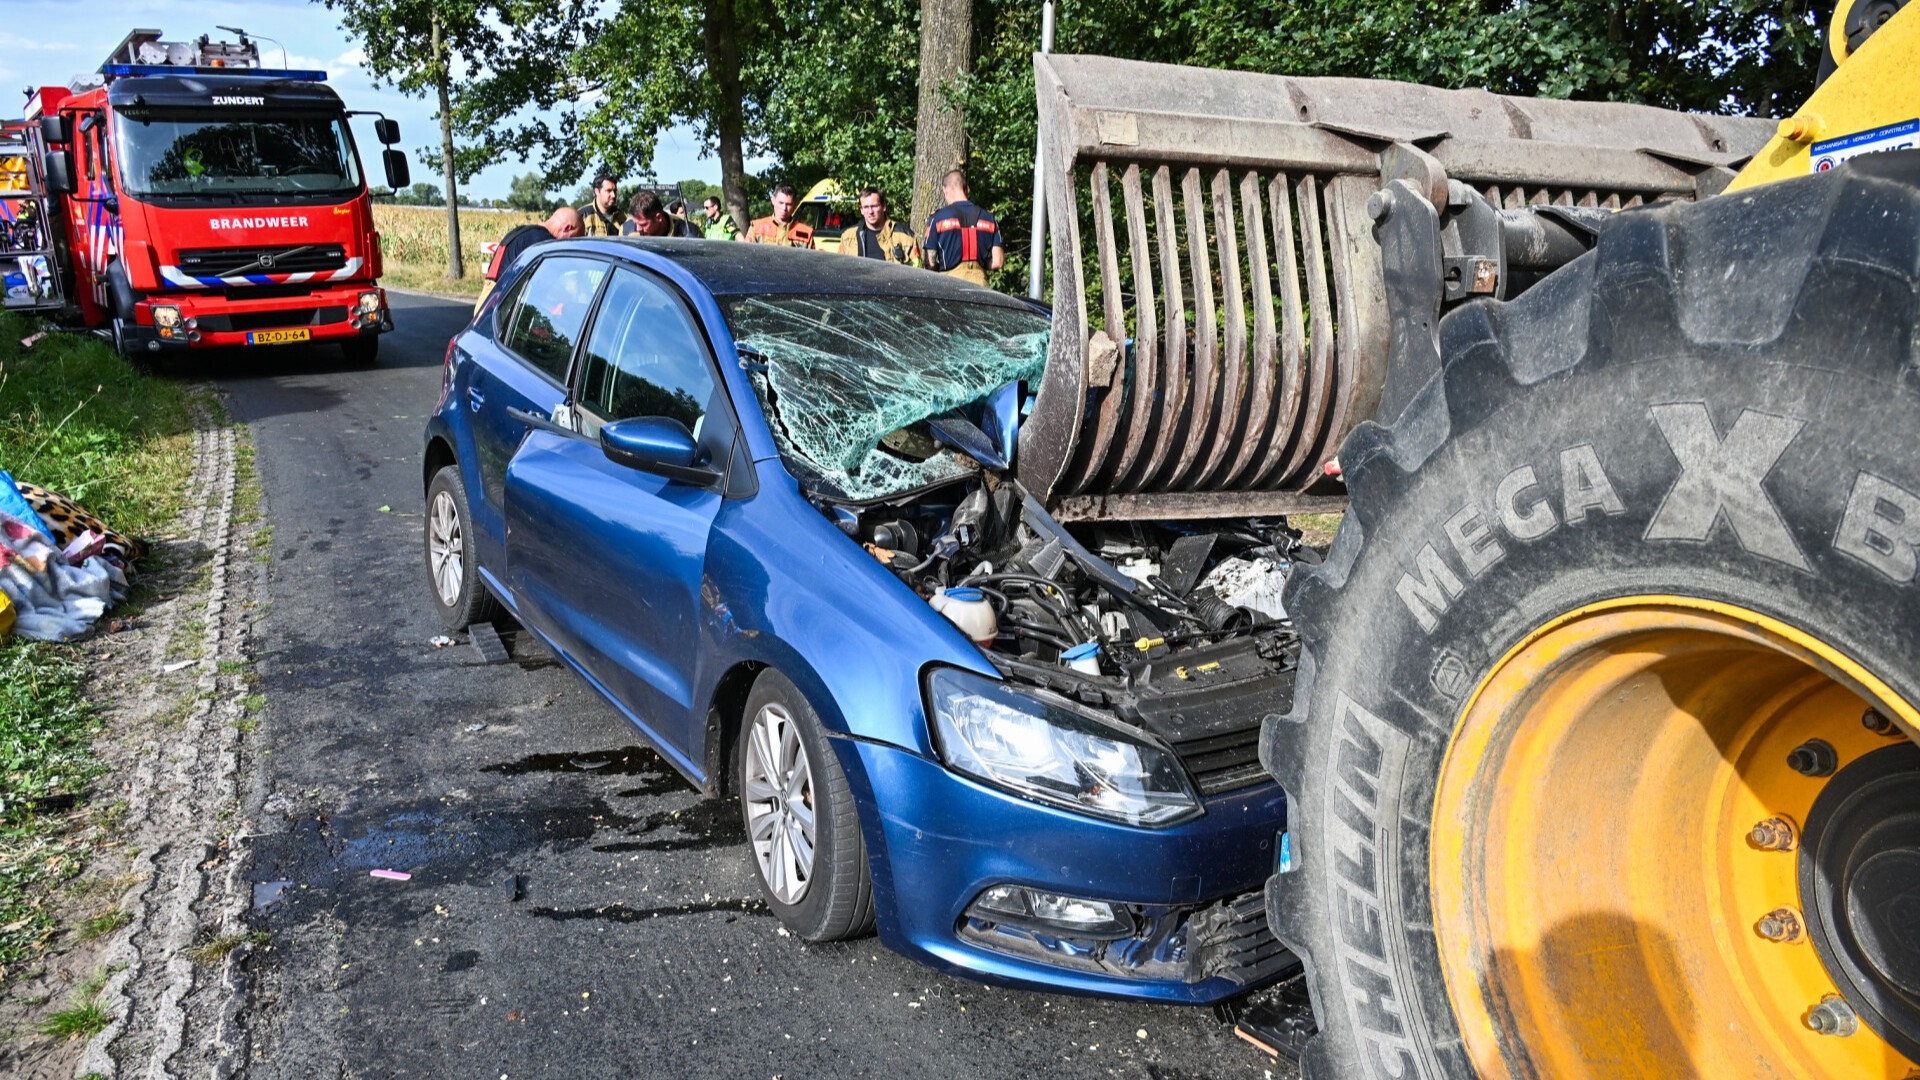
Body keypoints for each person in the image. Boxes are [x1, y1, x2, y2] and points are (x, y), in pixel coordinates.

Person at [474, 207, 581, 311]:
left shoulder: (522, 233)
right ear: (567, 228)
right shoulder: (543, 243)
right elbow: (540, 288)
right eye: (573, 239)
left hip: (486, 301)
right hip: (502, 307)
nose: (567, 245)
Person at [923, 169, 1004, 286]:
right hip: (980, 285)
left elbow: (930, 262)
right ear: (968, 189)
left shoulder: (937, 218)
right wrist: (980, 265)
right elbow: (998, 262)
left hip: (949, 284)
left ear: (945, 190)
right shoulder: (989, 219)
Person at [838, 188, 920, 266]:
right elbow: (839, 270)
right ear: (861, 210)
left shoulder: (905, 236)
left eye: (874, 206)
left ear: (884, 207)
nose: (870, 212)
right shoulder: (848, 237)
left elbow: (917, 271)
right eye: (866, 207)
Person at [744, 184, 813, 247]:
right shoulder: (757, 227)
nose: (784, 208)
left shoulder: (806, 233)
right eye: (781, 203)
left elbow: (813, 259)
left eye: (788, 204)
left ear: (795, 204)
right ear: (773, 200)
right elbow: (746, 255)